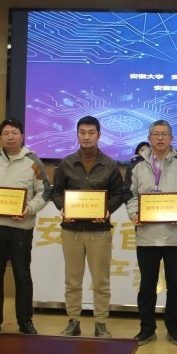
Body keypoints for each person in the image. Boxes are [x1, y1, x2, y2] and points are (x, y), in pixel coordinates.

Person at [123, 120, 177, 346]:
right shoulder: (136, 165)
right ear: (149, 138)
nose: (160, 138)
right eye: (155, 134)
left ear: (171, 138)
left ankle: (174, 329)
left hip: (175, 236)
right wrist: (135, 214)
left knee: (175, 284)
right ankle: (147, 329)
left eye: (164, 134)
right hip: (146, 235)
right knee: (147, 285)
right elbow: (128, 194)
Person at [0, 118, 50, 335]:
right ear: (0, 137)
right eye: (6, 133)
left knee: (22, 276)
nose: (10, 137)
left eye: (14, 133)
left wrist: (29, 209)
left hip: (21, 228)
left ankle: (25, 321)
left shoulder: (33, 161)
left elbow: (45, 192)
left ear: (22, 136)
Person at [50, 116, 124, 338]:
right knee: (72, 280)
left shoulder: (109, 165)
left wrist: (107, 209)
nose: (86, 137)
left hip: (99, 232)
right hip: (71, 231)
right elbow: (56, 192)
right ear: (77, 135)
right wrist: (63, 207)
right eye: (82, 132)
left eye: (91, 132)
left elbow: (119, 194)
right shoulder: (66, 163)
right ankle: (73, 320)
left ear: (99, 135)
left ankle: (101, 322)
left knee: (101, 281)